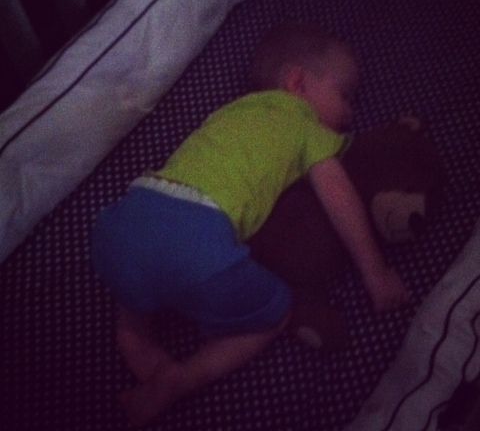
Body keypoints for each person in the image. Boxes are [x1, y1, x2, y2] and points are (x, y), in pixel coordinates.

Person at [90, 22, 410, 426]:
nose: (350, 113)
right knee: (275, 314)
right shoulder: (304, 125)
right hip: (196, 239)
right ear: (297, 82)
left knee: (137, 290)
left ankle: (137, 338)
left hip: (125, 219)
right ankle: (181, 379)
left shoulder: (232, 111)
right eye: (344, 95)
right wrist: (376, 274)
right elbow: (339, 197)